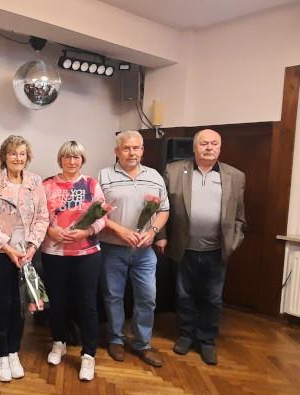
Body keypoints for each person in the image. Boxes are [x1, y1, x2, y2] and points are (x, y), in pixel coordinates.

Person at [155, 129, 246, 365]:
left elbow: (239, 217)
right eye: (204, 143)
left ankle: (206, 340)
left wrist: (232, 243)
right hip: (184, 248)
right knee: (184, 295)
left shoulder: (235, 176)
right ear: (194, 147)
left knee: (212, 298)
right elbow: (161, 208)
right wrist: (161, 235)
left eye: (214, 143)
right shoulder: (174, 171)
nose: (209, 148)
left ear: (220, 147)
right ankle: (186, 335)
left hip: (216, 251)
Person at [0, 135, 48, 382]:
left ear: (27, 157)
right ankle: (1, 354)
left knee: (20, 304)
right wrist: (8, 248)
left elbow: (42, 217)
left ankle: (14, 351)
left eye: (22, 153)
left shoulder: (35, 181)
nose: (18, 158)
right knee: (2, 302)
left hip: (26, 251)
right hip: (0, 251)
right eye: (12, 153)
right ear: (4, 156)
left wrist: (32, 247)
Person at [98, 131, 169, 367]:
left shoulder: (155, 176)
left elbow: (164, 210)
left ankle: (142, 343)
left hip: (144, 251)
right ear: (117, 151)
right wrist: (120, 230)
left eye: (136, 148)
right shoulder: (104, 176)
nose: (132, 153)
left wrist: (153, 232)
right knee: (113, 296)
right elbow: (96, 213)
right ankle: (116, 339)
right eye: (126, 148)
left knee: (147, 297)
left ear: (142, 150)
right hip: (112, 248)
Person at [40, 141, 106, 381]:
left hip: (86, 253)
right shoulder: (47, 185)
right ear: (60, 159)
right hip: (54, 253)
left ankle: (88, 354)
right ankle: (59, 342)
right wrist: (51, 231)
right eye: (67, 157)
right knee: (57, 301)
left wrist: (86, 232)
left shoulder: (91, 184)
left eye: (76, 157)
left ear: (82, 160)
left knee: (87, 303)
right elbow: (38, 216)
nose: (71, 161)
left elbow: (102, 218)